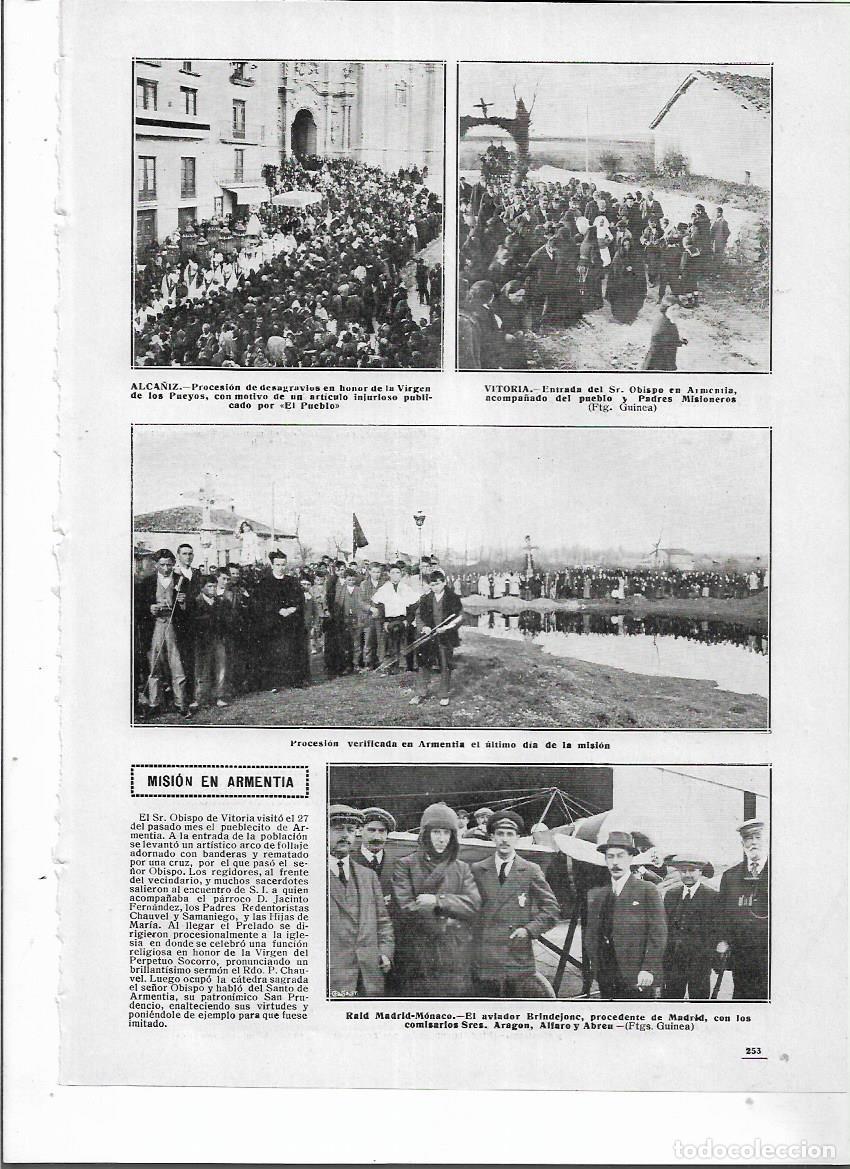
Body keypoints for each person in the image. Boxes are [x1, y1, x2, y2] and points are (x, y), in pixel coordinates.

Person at [391, 803, 481, 997]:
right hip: (417, 954)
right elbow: (406, 907)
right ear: (425, 834)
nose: (442, 839)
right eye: (436, 832)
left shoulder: (462, 868)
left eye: (447, 833)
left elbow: (474, 904)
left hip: (453, 955)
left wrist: (437, 900)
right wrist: (450, 919)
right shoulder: (405, 865)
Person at [470, 810, 560, 997]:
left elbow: (551, 909)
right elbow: (468, 908)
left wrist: (529, 930)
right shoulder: (478, 869)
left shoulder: (530, 870)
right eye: (500, 834)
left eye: (510, 834)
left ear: (518, 837)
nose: (505, 839)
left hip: (516, 953)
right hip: (485, 954)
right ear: (492, 837)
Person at [585, 830, 667, 999]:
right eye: (610, 857)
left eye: (620, 856)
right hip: (606, 974)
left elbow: (658, 933)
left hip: (637, 976)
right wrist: (597, 966)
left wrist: (648, 968)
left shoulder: (647, 890)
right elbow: (592, 934)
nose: (615, 862)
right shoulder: (599, 895)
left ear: (631, 858)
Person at [327, 805, 394, 998]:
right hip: (332, 979)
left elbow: (383, 922)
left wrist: (385, 953)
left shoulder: (368, 876)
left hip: (369, 977)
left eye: (350, 830)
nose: (346, 835)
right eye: (338, 829)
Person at [715, 818, 770, 1000]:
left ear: (767, 839)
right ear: (742, 843)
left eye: (758, 837)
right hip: (742, 955)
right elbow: (722, 914)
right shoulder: (730, 876)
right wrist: (722, 940)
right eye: (748, 838)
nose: (753, 842)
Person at [134, 547, 191, 717]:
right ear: (156, 564)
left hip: (174, 627)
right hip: (155, 627)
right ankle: (154, 703)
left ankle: (180, 703)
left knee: (177, 664)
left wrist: (183, 603)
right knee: (154, 665)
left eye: (169, 565)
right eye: (162, 565)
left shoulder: (182, 581)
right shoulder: (147, 582)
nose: (166, 568)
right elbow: (138, 607)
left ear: (173, 564)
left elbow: (189, 611)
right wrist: (149, 608)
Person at [662, 852, 718, 1000]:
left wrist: (709, 956)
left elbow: (716, 930)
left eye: (692, 870)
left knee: (699, 1002)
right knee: (670, 1000)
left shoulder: (712, 896)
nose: (687, 874)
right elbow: (664, 927)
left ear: (700, 872)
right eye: (683, 871)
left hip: (699, 963)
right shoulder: (670, 895)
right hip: (673, 962)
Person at [409, 568, 464, 708]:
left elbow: (459, 618)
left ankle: (444, 695)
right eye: (432, 585)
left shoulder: (453, 598)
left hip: (446, 637)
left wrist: (446, 628)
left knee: (445, 665)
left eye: (438, 584)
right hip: (428, 637)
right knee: (423, 664)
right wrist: (424, 628)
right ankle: (421, 693)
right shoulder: (425, 599)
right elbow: (418, 616)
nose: (435, 587)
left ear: (444, 583)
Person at [256, 551, 306, 690]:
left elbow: (299, 599)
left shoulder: (292, 581)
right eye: (277, 565)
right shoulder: (265, 583)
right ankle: (273, 683)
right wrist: (278, 610)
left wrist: (292, 609)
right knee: (273, 652)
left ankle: (294, 680)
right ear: (272, 565)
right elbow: (262, 602)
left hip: (290, 622)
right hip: (273, 623)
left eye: (283, 564)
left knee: (292, 650)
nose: (281, 567)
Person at [369, 562, 419, 675]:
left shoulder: (406, 588)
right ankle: (390, 665)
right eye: (393, 573)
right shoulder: (384, 589)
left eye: (398, 573)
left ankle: (404, 665)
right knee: (389, 643)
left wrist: (408, 620)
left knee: (403, 642)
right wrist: (384, 622)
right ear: (389, 574)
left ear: (401, 574)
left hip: (403, 619)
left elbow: (413, 606)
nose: (395, 575)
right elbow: (379, 606)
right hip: (389, 620)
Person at [352, 807, 397, 903]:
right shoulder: (348, 862)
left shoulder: (398, 865)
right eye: (371, 830)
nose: (377, 837)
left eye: (382, 831)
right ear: (360, 831)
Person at [641, 293, 688, 371]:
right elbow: (665, 343)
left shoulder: (668, 319)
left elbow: (669, 339)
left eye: (678, 309)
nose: (676, 312)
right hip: (658, 362)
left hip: (663, 358)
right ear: (665, 308)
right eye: (673, 309)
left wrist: (680, 341)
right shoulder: (662, 325)